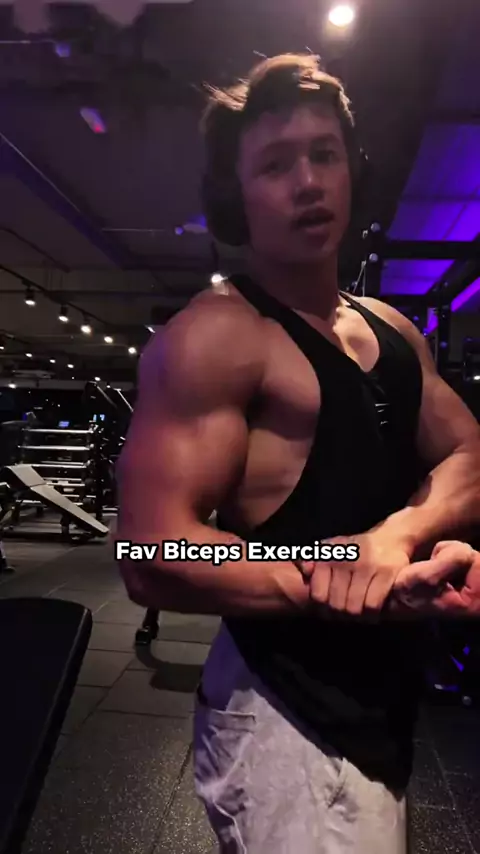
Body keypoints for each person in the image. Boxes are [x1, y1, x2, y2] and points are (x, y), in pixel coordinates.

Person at [116, 54, 480, 853]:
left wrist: (398, 541)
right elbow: (150, 552)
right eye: (276, 165)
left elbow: (468, 453)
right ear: (237, 197)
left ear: (353, 171)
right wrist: (338, 576)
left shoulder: (391, 328)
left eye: (324, 154)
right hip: (286, 717)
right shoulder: (216, 339)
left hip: (375, 698)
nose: (308, 182)